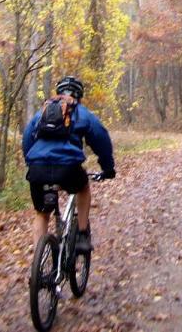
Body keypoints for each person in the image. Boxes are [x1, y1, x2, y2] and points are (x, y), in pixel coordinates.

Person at [22, 76, 116, 253]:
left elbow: (27, 136)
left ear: (59, 92)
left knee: (42, 213)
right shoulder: (81, 112)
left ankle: (38, 261)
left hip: (38, 168)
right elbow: (101, 138)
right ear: (79, 95)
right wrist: (107, 168)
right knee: (83, 188)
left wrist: (30, 162)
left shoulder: (42, 112)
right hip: (68, 168)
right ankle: (81, 234)